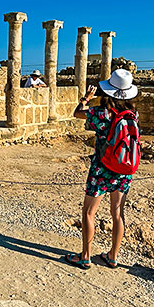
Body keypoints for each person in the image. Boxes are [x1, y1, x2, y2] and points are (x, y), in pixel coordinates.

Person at [66, 68, 139, 270]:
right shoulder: (133, 113)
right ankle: (113, 256)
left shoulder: (101, 113)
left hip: (102, 168)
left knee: (89, 212)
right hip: (124, 169)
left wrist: (86, 98)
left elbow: (77, 113)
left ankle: (85, 256)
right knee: (118, 213)